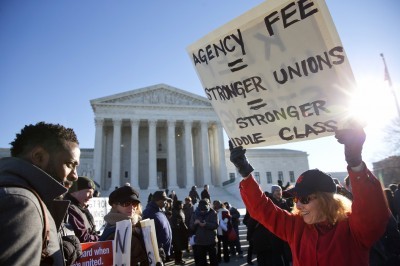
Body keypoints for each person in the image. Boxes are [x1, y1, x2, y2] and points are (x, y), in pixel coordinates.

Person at [230, 126, 390, 266]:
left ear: (325, 200)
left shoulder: (352, 230)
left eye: (305, 199)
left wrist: (356, 163)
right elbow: (263, 210)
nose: (298, 205)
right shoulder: (296, 227)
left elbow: (373, 214)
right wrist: (245, 173)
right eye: (295, 199)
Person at [0, 122, 81, 265]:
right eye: (69, 164)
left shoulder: (30, 198)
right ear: (38, 157)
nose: (75, 176)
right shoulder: (21, 204)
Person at [99, 186, 148, 265]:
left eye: (134, 203)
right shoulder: (115, 234)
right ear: (115, 205)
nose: (132, 207)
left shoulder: (137, 226)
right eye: (126, 203)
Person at [64, 176, 99, 243]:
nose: (91, 196)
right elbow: (83, 237)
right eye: (88, 192)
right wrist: (99, 238)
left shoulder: (81, 209)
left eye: (92, 193)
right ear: (74, 192)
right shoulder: (71, 209)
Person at [143, 190, 173, 262]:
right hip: (156, 253)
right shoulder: (149, 212)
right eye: (164, 200)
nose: (166, 202)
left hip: (163, 251)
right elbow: (148, 234)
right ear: (158, 200)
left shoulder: (159, 210)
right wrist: (158, 248)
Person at [189, 199, 218, 266]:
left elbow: (216, 225)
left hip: (211, 241)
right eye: (201, 209)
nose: (203, 211)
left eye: (204, 209)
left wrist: (206, 224)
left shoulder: (213, 213)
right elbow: (191, 227)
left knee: (214, 260)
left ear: (208, 206)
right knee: (202, 261)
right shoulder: (195, 213)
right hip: (200, 241)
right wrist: (195, 223)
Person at [171, 200, 189, 265]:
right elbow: (175, 221)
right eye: (182, 204)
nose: (183, 205)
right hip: (177, 231)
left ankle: (180, 259)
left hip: (181, 231)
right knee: (177, 247)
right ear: (178, 205)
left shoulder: (180, 210)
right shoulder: (174, 211)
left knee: (180, 246)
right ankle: (177, 260)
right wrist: (178, 223)